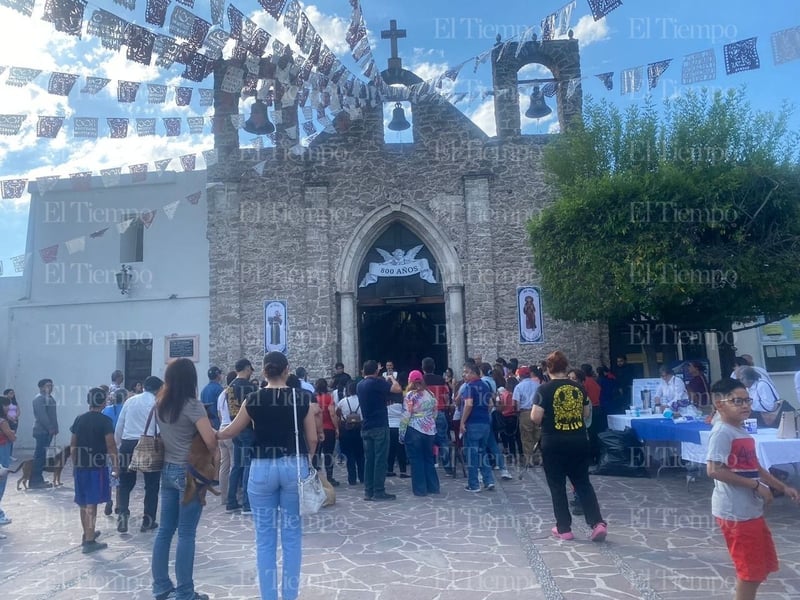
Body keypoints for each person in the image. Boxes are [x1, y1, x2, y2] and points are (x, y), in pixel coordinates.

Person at [217, 351, 317, 600]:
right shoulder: (301, 397)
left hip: (261, 467)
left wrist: (211, 433)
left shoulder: (253, 399)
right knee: (292, 536)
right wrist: (308, 461)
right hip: (294, 465)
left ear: (263, 372)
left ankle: (269, 596)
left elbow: (230, 431)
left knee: (264, 538)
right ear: (287, 370)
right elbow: (312, 438)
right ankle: (290, 595)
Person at [706, 378, 800, 600]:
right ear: (720, 404)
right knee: (750, 572)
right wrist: (756, 486)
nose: (746, 406)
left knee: (760, 568)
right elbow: (713, 470)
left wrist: (781, 486)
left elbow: (754, 465)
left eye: (747, 400)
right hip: (735, 512)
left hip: (749, 510)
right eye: (737, 401)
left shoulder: (739, 430)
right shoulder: (722, 432)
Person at [151, 358, 217, 600]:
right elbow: (210, 441)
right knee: (187, 533)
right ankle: (185, 592)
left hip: (167, 470)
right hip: (189, 474)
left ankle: (160, 586)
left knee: (165, 531)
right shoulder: (193, 406)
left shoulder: (160, 403)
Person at [532, 351, 607, 542]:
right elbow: (586, 412)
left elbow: (535, 417)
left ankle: (564, 528)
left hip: (554, 442)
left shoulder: (544, 390)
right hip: (578, 440)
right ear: (566, 368)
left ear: (548, 369)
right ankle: (597, 522)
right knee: (582, 482)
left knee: (557, 486)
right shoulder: (578, 388)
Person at [70, 387, 118, 553]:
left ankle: (87, 532)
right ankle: (90, 540)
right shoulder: (105, 421)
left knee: (83, 502)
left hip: (81, 466)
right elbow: (111, 445)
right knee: (92, 502)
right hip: (96, 467)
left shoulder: (79, 419)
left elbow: (73, 444)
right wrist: (116, 465)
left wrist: (75, 463)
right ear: (103, 401)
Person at [114, 376, 164, 533]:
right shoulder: (157, 404)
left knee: (124, 483)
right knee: (151, 485)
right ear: (158, 389)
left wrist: (118, 444)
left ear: (143, 387)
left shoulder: (130, 401)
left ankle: (122, 514)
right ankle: (148, 520)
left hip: (127, 444)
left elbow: (119, 425)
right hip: (148, 445)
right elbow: (161, 428)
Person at [357, 359, 401, 501]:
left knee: (369, 459)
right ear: (376, 371)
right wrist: (392, 378)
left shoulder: (360, 385)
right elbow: (397, 389)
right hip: (379, 425)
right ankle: (379, 491)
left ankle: (368, 491)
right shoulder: (377, 382)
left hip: (366, 426)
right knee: (380, 459)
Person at [225, 358, 257, 513]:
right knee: (248, 465)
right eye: (250, 369)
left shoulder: (229, 387)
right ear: (246, 368)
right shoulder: (249, 387)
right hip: (247, 429)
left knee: (236, 465)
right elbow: (254, 410)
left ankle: (231, 501)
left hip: (234, 428)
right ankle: (247, 503)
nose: (251, 372)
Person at [401, 370, 440, 497]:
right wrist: (430, 423)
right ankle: (433, 487)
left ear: (410, 381)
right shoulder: (430, 394)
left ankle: (420, 489)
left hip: (414, 428)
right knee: (428, 457)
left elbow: (406, 415)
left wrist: (402, 433)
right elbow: (435, 412)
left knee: (416, 460)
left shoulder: (410, 395)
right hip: (429, 430)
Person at [460, 363, 496, 493]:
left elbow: (468, 405)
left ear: (473, 373)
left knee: (472, 455)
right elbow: (490, 404)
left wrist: (462, 422)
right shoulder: (485, 386)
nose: (464, 374)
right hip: (485, 423)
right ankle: (489, 480)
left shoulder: (469, 387)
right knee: (482, 453)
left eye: (466, 372)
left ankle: (473, 484)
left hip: (473, 424)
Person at [421, 357, 452, 474]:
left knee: (427, 439)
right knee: (443, 439)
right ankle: (448, 466)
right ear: (434, 367)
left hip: (425, 414)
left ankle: (430, 463)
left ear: (423, 368)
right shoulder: (441, 380)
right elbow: (446, 397)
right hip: (439, 412)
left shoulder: (421, 381)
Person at [30, 378, 59, 489]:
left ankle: (38, 478)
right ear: (41, 387)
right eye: (47, 385)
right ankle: (35, 481)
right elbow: (42, 416)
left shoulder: (49, 398)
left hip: (48, 431)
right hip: (42, 431)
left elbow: (52, 415)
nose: (50, 388)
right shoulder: (39, 399)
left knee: (42, 456)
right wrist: (50, 428)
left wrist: (55, 427)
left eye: (51, 385)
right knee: (39, 456)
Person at [512, 366, 540, 470]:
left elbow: (517, 403)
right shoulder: (537, 385)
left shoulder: (519, 387)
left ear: (520, 375)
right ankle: (538, 458)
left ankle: (529, 460)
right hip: (537, 411)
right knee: (537, 435)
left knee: (526, 436)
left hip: (525, 412)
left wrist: (517, 412)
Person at [336, 380, 364, 485]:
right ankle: (362, 477)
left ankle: (352, 479)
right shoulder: (362, 400)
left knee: (349, 455)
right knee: (360, 455)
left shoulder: (343, 401)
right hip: (359, 429)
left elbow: (337, 413)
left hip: (346, 430)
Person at [216, 371, 238, 503]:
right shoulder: (233, 393)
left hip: (222, 429)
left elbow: (219, 414)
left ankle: (223, 497)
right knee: (234, 465)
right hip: (231, 429)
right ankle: (232, 497)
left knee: (224, 465)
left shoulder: (221, 395)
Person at [314, 378, 339, 486]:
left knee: (316, 453)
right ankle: (329, 477)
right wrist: (337, 427)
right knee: (329, 453)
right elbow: (332, 413)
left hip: (316, 429)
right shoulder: (329, 398)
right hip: (328, 428)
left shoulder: (314, 399)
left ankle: (315, 477)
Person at [0, 395, 17, 530]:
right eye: (6, 405)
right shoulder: (2, 422)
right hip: (3, 451)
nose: (9, 408)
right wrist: (11, 433)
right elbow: (12, 436)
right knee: (1, 481)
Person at [3, 389, 19, 459]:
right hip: (7, 421)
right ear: (6, 394)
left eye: (13, 393)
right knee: (7, 437)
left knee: (12, 437)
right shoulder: (4, 402)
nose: (12, 394)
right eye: (10, 393)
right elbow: (4, 412)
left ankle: (10, 454)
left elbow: (18, 410)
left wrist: (16, 417)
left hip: (15, 421)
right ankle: (6, 454)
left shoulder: (14, 402)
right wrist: (10, 418)